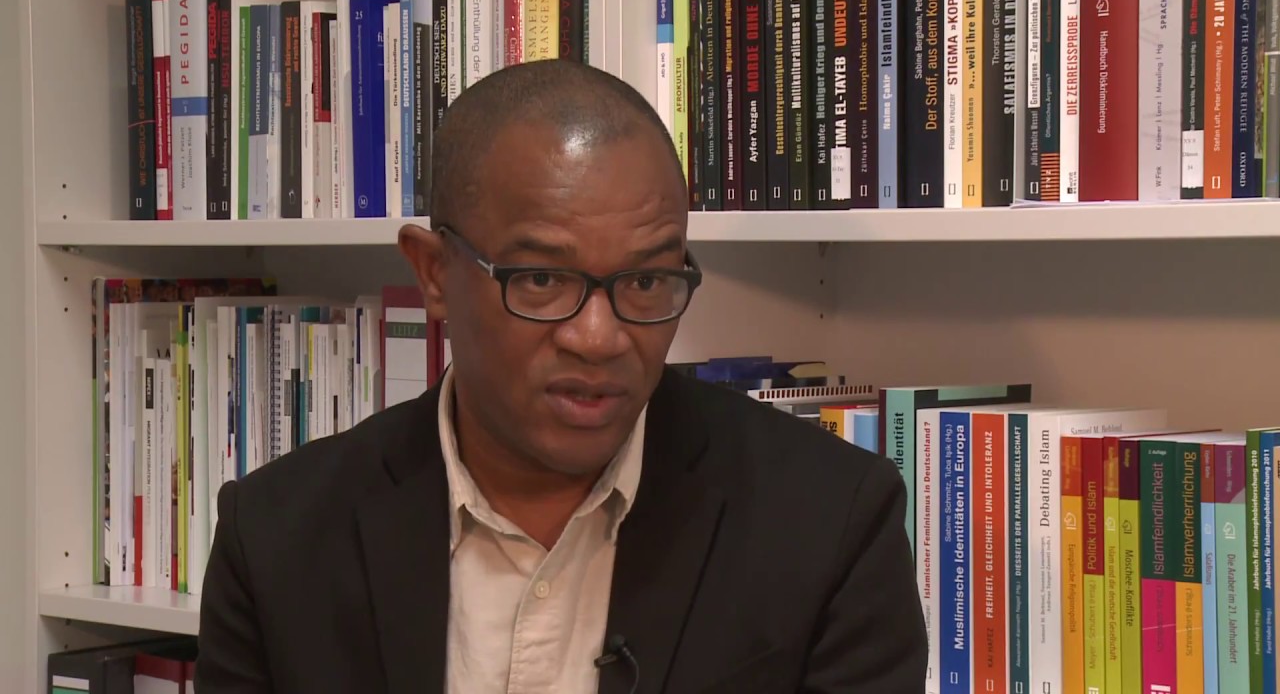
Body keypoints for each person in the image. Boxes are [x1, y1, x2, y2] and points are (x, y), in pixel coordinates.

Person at [194, 59, 926, 693]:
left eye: (646, 281)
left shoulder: (831, 523)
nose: (600, 338)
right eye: (542, 278)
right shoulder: (277, 539)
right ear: (435, 273)